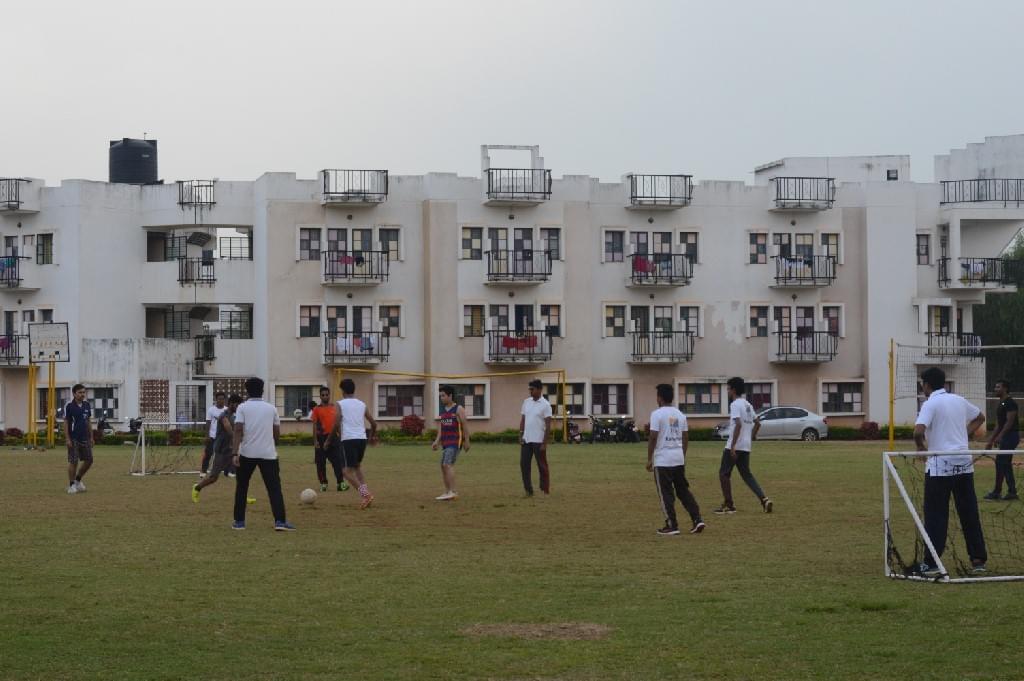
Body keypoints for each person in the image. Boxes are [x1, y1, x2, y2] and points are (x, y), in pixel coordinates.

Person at [915, 367, 987, 575]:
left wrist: (921, 448)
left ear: (927, 385)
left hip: (940, 467)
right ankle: (978, 560)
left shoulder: (930, 403)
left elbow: (918, 431)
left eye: (922, 384)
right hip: (964, 464)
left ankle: (931, 563)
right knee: (969, 513)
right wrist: (964, 434)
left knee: (936, 515)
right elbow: (980, 417)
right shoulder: (958, 400)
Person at [231, 377, 294, 531]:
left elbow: (238, 430)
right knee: (274, 488)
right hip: (268, 454)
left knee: (242, 487)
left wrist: (234, 453)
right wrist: (271, 444)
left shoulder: (242, 408)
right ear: (262, 390)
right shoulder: (271, 408)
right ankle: (280, 521)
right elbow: (276, 432)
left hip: (247, 453)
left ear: (247, 391)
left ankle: (239, 522)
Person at [647, 383, 705, 535]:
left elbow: (653, 437)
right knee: (683, 491)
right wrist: (682, 455)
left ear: (659, 398)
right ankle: (697, 519)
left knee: (666, 493)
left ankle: (672, 525)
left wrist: (649, 458)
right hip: (678, 458)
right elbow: (685, 437)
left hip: (663, 460)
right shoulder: (680, 414)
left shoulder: (657, 414)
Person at [715, 377, 772, 514]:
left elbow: (738, 424)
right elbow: (758, 423)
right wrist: (751, 437)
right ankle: (764, 499)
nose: (728, 391)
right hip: (746, 446)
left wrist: (733, 446)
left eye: (728, 389)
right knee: (747, 475)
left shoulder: (735, 404)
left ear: (733, 389)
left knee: (724, 474)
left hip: (734, 446)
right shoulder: (748, 405)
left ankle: (729, 505)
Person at [192, 395, 253, 503]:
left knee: (241, 473)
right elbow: (229, 429)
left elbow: (239, 429)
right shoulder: (223, 415)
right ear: (231, 404)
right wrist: (238, 438)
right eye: (237, 405)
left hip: (231, 451)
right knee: (213, 478)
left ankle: (243, 497)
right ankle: (197, 488)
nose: (239, 407)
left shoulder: (234, 416)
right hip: (221, 451)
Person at [333, 378, 378, 509]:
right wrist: (371, 437)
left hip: (349, 439)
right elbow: (374, 424)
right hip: (361, 439)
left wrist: (331, 438)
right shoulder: (362, 404)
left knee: (346, 472)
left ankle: (366, 495)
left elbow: (336, 423)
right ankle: (367, 496)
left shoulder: (339, 404)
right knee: (357, 467)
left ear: (342, 390)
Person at [432, 385, 470, 501]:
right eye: (440, 396)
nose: (441, 398)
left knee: (447, 464)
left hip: (455, 442)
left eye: (443, 395)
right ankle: (448, 491)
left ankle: (453, 491)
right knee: (443, 466)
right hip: (445, 442)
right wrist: (437, 441)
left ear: (450, 396)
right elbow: (441, 427)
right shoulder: (443, 410)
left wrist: (467, 441)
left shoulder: (459, 409)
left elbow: (465, 425)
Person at [984, 379, 1019, 501]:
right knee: (1004, 463)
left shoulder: (1010, 403)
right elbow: (999, 424)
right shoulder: (1001, 403)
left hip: (1011, 436)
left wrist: (1000, 436)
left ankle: (999, 492)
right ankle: (1010, 492)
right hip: (1005, 436)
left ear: (1005, 388)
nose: (995, 389)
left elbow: (1009, 422)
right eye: (995, 387)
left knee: (1002, 462)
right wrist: (991, 440)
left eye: (998, 387)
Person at [311, 386, 349, 493]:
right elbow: (314, 425)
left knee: (338, 462)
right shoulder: (316, 409)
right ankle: (323, 483)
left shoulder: (334, 408)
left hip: (334, 438)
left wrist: (341, 437)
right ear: (320, 396)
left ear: (329, 395)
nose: (325, 396)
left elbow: (338, 424)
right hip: (321, 439)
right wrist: (315, 441)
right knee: (320, 463)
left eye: (326, 395)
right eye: (323, 395)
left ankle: (340, 483)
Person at [519, 379, 552, 496]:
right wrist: (521, 434)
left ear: (539, 389)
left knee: (542, 465)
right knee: (524, 465)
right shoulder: (526, 402)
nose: (530, 391)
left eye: (532, 389)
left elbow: (548, 425)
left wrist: (544, 443)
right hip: (526, 439)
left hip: (539, 441)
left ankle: (545, 489)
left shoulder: (546, 405)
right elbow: (523, 420)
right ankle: (528, 490)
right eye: (530, 389)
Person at [64, 384, 93, 495]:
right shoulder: (69, 406)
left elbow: (88, 421)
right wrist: (67, 439)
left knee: (89, 460)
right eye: (80, 392)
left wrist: (91, 437)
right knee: (74, 461)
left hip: (85, 437)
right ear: (74, 394)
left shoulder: (87, 405)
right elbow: (66, 423)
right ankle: (71, 485)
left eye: (83, 392)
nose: (82, 394)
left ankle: (77, 480)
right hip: (73, 438)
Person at [200, 392, 227, 479]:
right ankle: (203, 471)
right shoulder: (211, 410)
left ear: (224, 400)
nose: (221, 400)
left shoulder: (226, 410)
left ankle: (227, 471)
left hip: (223, 437)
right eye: (219, 399)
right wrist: (207, 436)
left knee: (225, 455)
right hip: (212, 436)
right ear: (216, 400)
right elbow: (208, 422)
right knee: (208, 454)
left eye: (222, 399)